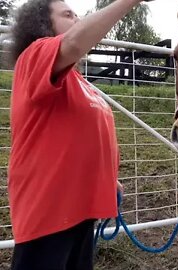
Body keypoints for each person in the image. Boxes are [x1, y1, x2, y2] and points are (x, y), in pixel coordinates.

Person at [7, 0, 152, 269]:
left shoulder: (76, 80)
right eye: (67, 14)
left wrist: (108, 178)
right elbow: (73, 43)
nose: (77, 19)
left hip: (81, 208)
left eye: (77, 14)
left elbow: (79, 132)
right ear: (42, 24)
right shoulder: (34, 56)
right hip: (48, 210)